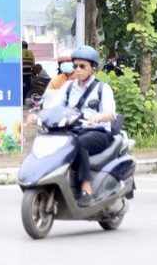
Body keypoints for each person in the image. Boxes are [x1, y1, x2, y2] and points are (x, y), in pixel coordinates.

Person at [30, 45, 116, 205]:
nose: (78, 69)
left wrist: (98, 117)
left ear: (92, 68)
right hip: (72, 129)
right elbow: (53, 106)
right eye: (75, 65)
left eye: (82, 66)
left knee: (78, 143)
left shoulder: (102, 89)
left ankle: (86, 185)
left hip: (98, 132)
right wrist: (37, 116)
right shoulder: (67, 87)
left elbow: (110, 114)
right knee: (50, 139)